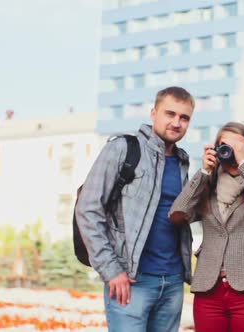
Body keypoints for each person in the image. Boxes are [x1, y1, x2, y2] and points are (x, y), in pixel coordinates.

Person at [75, 86, 195, 332]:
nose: (176, 122)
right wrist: (112, 270)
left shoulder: (183, 161)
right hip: (130, 281)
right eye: (169, 114)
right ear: (153, 113)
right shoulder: (123, 148)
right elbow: (88, 209)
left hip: (171, 283)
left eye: (184, 117)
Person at [169, 122, 244, 332]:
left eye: (239, 145)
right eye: (225, 145)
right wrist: (204, 171)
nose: (231, 150)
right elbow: (177, 215)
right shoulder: (206, 189)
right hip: (208, 291)